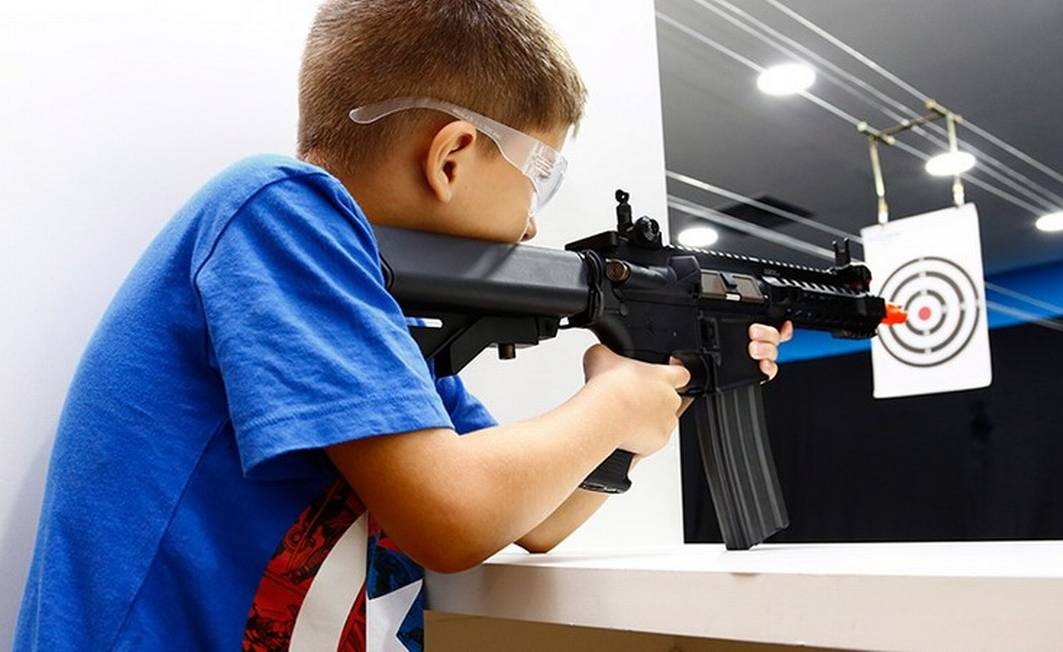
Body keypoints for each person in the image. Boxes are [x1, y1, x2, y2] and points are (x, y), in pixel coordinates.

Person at [15, 0, 792, 649]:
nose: (531, 225)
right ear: (452, 156)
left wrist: (669, 382)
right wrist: (613, 404)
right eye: (540, 179)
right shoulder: (278, 210)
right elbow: (452, 518)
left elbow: (538, 519)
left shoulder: (378, 323)